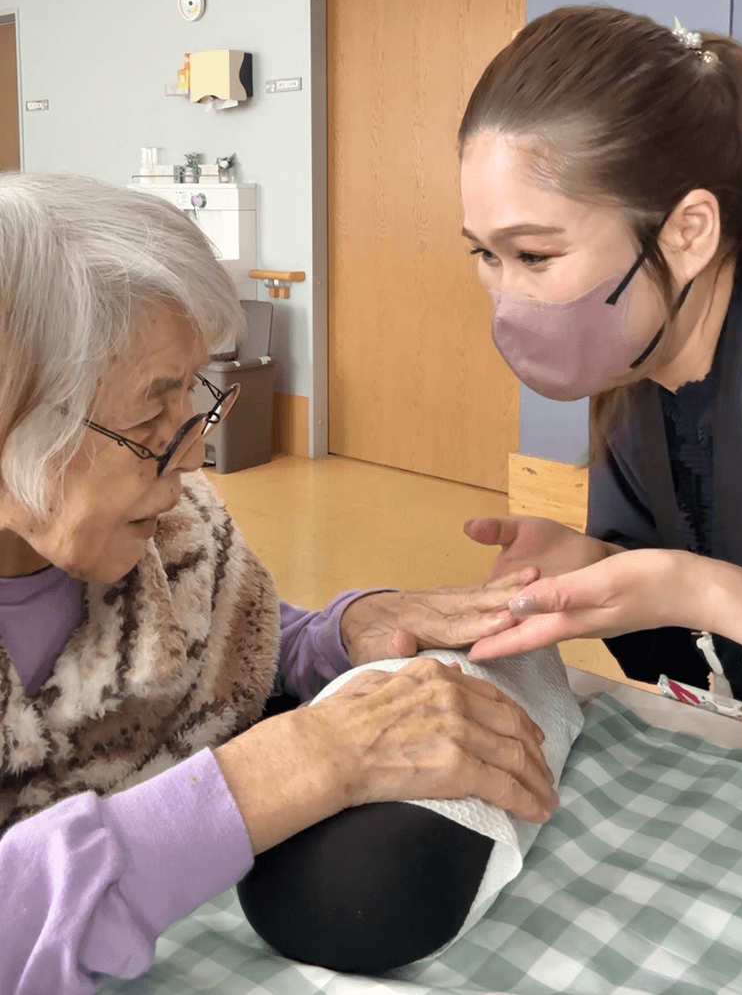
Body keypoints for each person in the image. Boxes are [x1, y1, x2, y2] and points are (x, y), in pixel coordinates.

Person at [0, 173, 558, 992]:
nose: (191, 456)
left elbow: (233, 648)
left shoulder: (175, 532)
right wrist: (286, 767)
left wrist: (345, 629)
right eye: (152, 417)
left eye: (192, 397)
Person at [446, 5, 742, 768]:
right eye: (485, 255)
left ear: (688, 231)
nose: (508, 296)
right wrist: (595, 565)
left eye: (535, 255)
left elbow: (710, 598)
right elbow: (684, 653)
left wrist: (702, 591)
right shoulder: (641, 373)